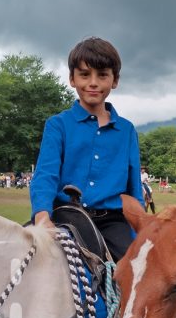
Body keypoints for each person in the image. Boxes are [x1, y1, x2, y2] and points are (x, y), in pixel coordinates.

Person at [30, 36, 144, 262]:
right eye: (84, 74)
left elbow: (134, 189)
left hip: (112, 222)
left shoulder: (127, 130)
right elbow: (45, 175)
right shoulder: (58, 125)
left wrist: (141, 231)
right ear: (72, 79)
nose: (93, 82)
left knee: (134, 277)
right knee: (20, 261)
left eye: (102, 75)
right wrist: (42, 217)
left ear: (115, 80)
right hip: (65, 215)